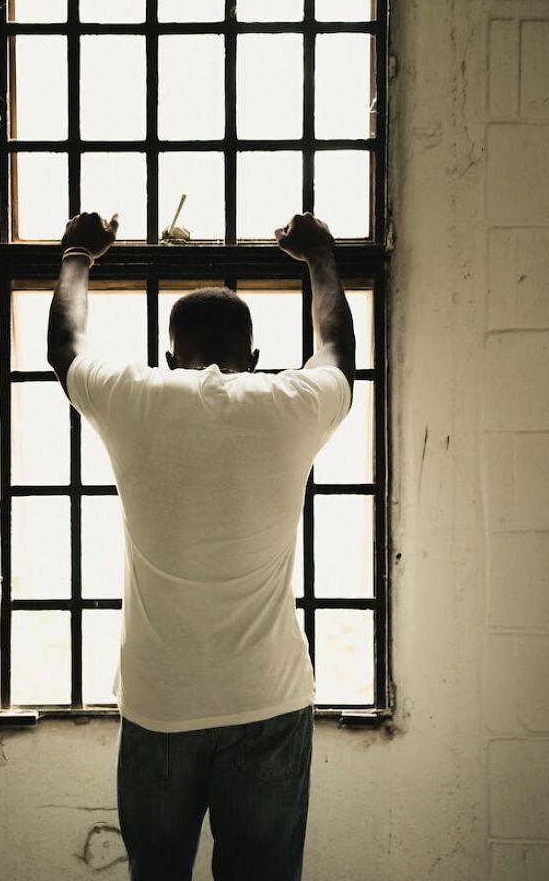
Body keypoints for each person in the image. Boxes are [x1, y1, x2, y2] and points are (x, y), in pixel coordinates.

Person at [47, 211, 355, 881]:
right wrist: (320, 257)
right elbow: (337, 350)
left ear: (169, 357)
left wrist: (78, 252)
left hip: (160, 702)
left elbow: (65, 348)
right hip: (268, 698)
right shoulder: (288, 403)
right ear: (253, 358)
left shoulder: (137, 397)